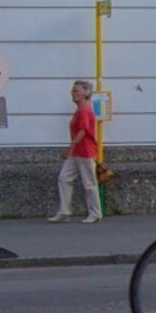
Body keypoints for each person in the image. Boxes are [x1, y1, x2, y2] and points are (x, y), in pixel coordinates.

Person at [50, 78, 106, 221]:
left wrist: (71, 147)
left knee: (89, 183)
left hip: (85, 152)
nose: (73, 93)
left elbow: (83, 130)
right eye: (72, 91)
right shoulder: (80, 110)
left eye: (76, 91)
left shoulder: (85, 110)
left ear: (85, 93)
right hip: (77, 152)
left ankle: (95, 213)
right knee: (64, 178)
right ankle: (64, 211)